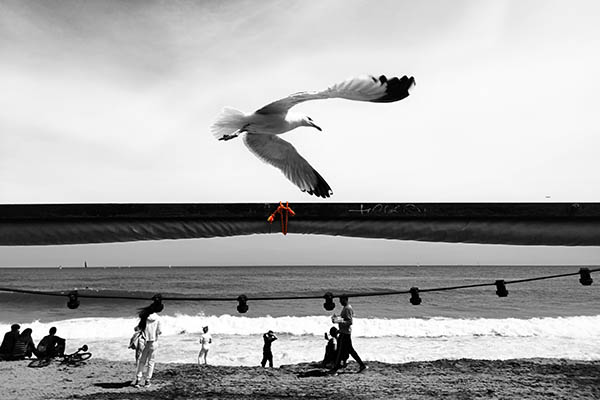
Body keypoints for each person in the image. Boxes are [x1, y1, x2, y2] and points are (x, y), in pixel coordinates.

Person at [330, 295, 367, 374]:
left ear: (345, 300)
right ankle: (362, 365)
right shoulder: (346, 308)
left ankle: (335, 369)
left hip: (345, 333)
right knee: (350, 350)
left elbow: (350, 322)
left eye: (341, 300)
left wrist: (338, 320)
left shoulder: (347, 308)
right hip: (344, 332)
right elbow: (345, 319)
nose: (340, 302)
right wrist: (337, 319)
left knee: (340, 351)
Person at [133, 301, 163, 388]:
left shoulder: (145, 317)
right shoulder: (159, 319)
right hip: (153, 342)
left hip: (144, 342)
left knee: (142, 361)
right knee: (151, 362)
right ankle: (147, 381)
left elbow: (137, 328)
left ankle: (138, 380)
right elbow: (159, 331)